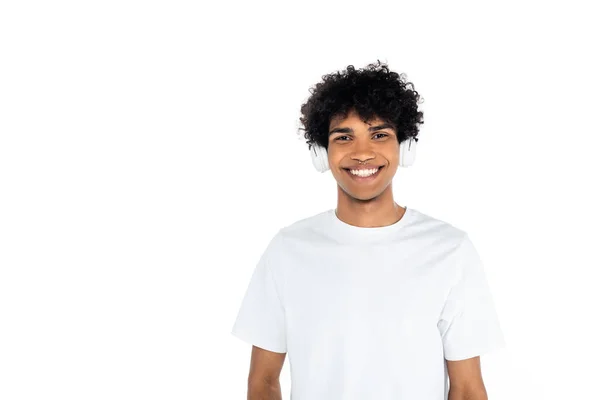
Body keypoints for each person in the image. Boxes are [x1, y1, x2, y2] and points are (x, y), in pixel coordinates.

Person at [230, 60, 506, 400]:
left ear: (405, 147)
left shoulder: (451, 250)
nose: (362, 152)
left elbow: (466, 389)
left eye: (379, 134)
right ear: (321, 152)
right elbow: (263, 382)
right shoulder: (287, 250)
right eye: (344, 136)